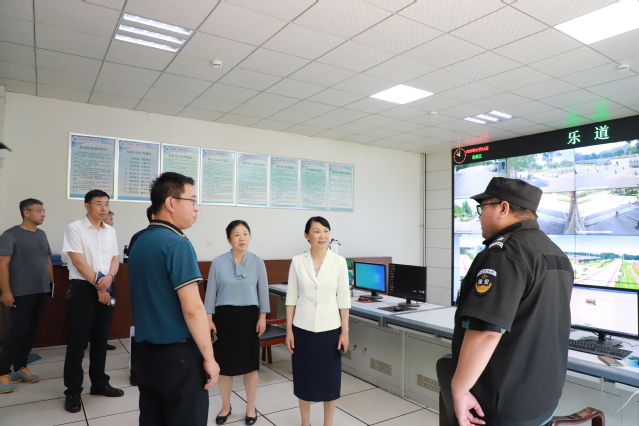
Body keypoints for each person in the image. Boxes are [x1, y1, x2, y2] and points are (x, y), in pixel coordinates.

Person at [450, 177, 573, 426]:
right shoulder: (556, 254)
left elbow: (486, 331)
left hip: (501, 403)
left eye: (482, 208)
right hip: (542, 400)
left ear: (503, 208)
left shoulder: (504, 255)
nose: (479, 216)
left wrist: (460, 390)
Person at [128, 172, 219, 426]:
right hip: (177, 356)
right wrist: (210, 358)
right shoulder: (177, 244)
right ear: (170, 203)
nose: (196, 208)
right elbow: (192, 309)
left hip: (145, 355)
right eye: (192, 200)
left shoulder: (140, 242)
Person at [285, 216, 351, 426]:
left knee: (330, 380)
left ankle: (327, 423)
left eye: (325, 231)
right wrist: (289, 330)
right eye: (316, 231)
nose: (322, 236)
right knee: (304, 378)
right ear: (307, 236)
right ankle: (305, 422)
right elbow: (291, 298)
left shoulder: (339, 262)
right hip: (302, 329)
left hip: (330, 329)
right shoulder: (297, 261)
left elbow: (344, 300)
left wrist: (345, 331)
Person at [62, 189, 123, 413]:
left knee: (100, 340)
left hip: (107, 285)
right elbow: (78, 262)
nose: (104, 208)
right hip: (83, 289)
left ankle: (99, 383)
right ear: (87, 206)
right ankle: (73, 391)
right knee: (77, 344)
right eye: (99, 203)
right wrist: (100, 286)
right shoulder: (75, 228)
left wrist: (110, 278)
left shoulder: (110, 231)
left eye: (106, 204)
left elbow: (115, 258)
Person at [204, 220, 270, 426]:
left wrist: (262, 317)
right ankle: (226, 406)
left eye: (245, 233)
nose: (242, 238)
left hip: (249, 319)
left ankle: (251, 407)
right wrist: (209, 319)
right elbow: (210, 293)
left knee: (251, 367)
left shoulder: (258, 262)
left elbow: (263, 292)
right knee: (224, 367)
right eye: (237, 234)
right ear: (229, 239)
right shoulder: (218, 262)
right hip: (224, 319)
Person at [0, 199, 54, 394]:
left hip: (41, 290)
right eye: (39, 211)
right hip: (21, 293)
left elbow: (47, 260)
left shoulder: (42, 234)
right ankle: (2, 373)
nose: (43, 214)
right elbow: (3, 265)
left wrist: (51, 284)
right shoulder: (10, 235)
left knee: (31, 331)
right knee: (18, 332)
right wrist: (6, 291)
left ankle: (20, 368)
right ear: (26, 212)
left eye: (44, 210)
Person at [125, 205, 154, 387]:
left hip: (159, 293)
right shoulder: (139, 237)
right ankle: (135, 371)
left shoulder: (175, 237)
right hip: (144, 291)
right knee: (141, 330)